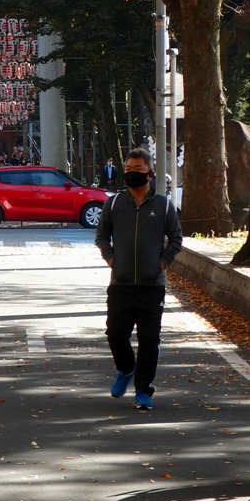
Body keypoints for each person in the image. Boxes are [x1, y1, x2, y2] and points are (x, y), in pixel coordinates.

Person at [95, 147, 183, 411]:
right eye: (129, 169)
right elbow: (102, 236)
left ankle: (144, 390)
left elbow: (176, 239)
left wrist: (162, 263)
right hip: (120, 283)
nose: (132, 173)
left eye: (138, 169)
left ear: (150, 174)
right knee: (115, 334)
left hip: (151, 286)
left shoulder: (164, 206)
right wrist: (112, 259)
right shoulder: (113, 203)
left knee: (149, 340)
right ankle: (126, 368)